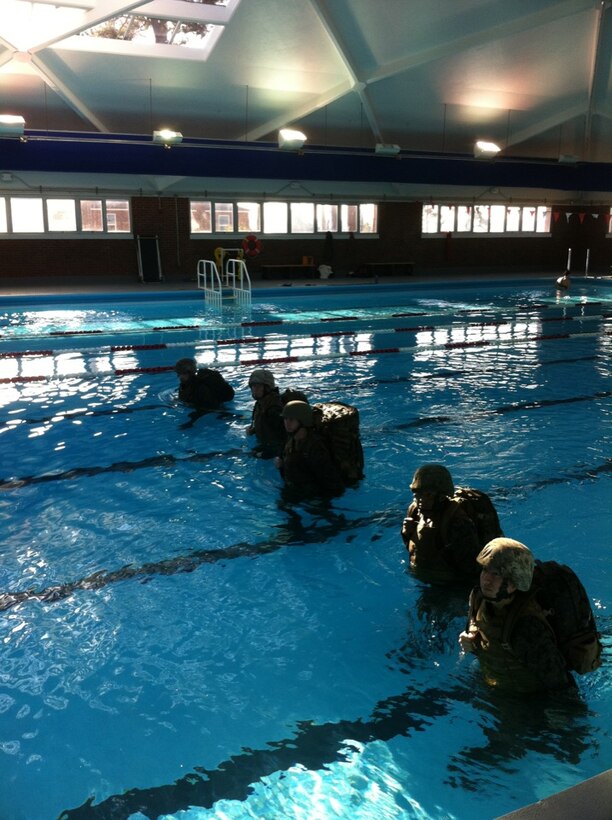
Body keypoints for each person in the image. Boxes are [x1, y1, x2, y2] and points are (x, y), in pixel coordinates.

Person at [458, 538, 575, 695]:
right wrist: (471, 644)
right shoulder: (478, 598)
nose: (486, 579)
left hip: (526, 699)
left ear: (514, 582)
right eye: (485, 570)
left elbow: (558, 681)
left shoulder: (526, 626)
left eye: (496, 574)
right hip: (495, 684)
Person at [401, 464, 481, 585]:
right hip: (423, 580)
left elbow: (470, 568)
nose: (420, 501)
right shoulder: (414, 512)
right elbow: (418, 549)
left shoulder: (457, 522)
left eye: (428, 495)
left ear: (442, 496)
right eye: (417, 495)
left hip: (449, 587)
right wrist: (407, 534)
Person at [274, 400, 344, 499]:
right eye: (285, 419)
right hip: (296, 490)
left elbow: (332, 482)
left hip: (313, 496)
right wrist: (281, 465)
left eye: (291, 419)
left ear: (303, 421)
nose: (287, 423)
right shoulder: (292, 439)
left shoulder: (315, 447)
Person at [175, 358, 235, 425]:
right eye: (178, 374)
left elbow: (212, 406)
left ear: (189, 373)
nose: (179, 377)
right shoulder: (188, 384)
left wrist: (192, 421)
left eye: (181, 374)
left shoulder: (200, 387)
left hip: (215, 408)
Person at [246, 369, 286, 457]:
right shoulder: (261, 403)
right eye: (253, 386)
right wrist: (254, 430)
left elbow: (285, 439)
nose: (254, 390)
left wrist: (265, 454)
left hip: (274, 452)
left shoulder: (274, 409)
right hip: (267, 446)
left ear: (268, 388)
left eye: (258, 386)